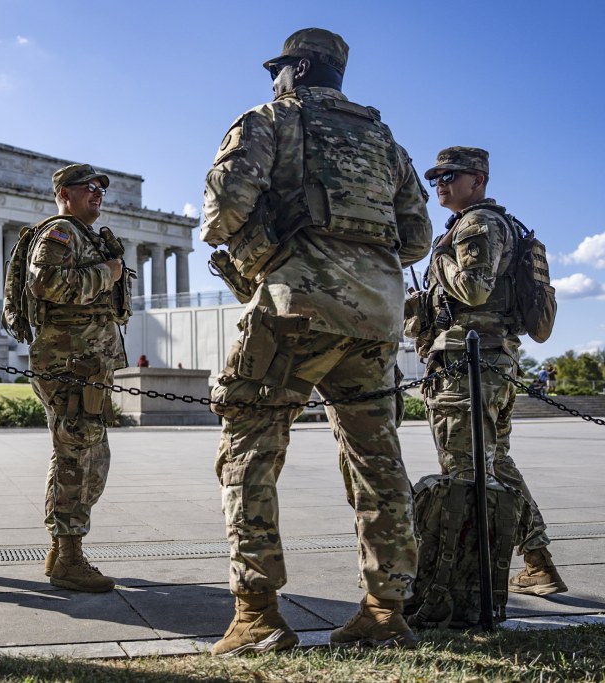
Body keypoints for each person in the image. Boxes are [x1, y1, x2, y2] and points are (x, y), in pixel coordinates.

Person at [201, 28, 433, 654]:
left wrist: (268, 242)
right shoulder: (387, 142)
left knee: (249, 450)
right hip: (377, 318)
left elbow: (221, 210)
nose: (273, 79)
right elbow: (415, 238)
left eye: (278, 69)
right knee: (378, 463)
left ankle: (257, 615)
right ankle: (386, 612)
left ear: (298, 70)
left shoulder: (270, 120)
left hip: (292, 309)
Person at [418, 146, 567, 596]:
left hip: (470, 365)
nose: (440, 183)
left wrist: (439, 256)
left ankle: (466, 587)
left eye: (450, 175)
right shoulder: (484, 224)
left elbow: (476, 290)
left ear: (478, 179)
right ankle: (538, 562)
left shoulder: (477, 224)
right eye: (436, 178)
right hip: (487, 361)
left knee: (465, 472)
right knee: (495, 465)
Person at [27, 163, 129, 593]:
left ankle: (61, 549)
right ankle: (69, 557)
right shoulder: (60, 233)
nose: (97, 194)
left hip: (88, 363)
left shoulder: (87, 236)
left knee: (86, 457)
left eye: (101, 188)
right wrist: (107, 273)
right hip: (69, 363)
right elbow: (45, 283)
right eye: (88, 188)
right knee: (78, 459)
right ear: (65, 194)